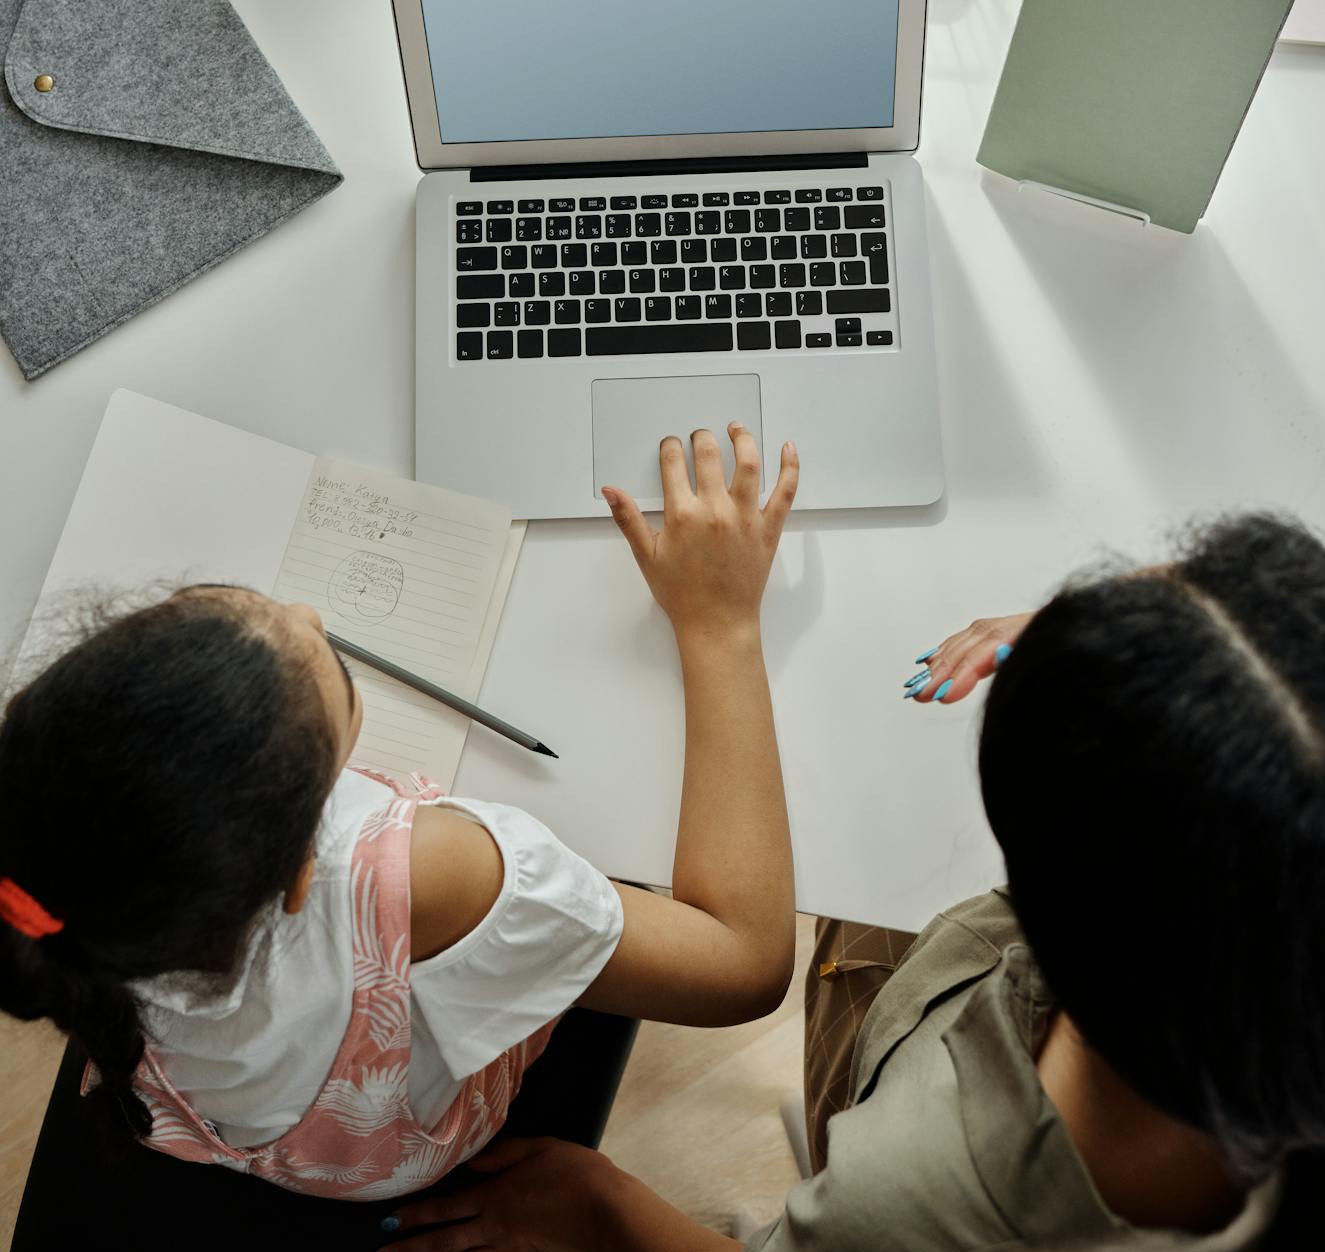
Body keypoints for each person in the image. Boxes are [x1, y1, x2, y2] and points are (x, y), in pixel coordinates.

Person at [374, 514, 1325, 1252]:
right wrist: (1175, 672)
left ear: (1056, 889)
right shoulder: (1271, 968)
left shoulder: (909, 1196)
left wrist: (603, 1210)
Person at [0, 424, 798, 1208]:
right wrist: (719, 626)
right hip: (384, 1139)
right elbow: (742, 964)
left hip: (210, 1112)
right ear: (302, 870)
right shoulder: (428, 872)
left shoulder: (71, 893)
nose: (309, 613)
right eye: (332, 683)